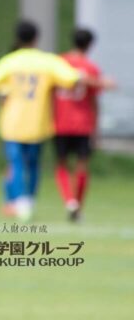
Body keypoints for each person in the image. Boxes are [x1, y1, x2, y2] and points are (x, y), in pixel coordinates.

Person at [0, 20, 82, 222]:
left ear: (18, 39)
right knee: (34, 165)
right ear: (36, 38)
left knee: (16, 163)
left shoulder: (10, 62)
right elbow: (72, 79)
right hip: (38, 123)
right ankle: (29, 200)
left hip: (13, 124)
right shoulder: (47, 61)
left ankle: (19, 202)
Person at [53, 28, 116, 222]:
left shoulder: (59, 63)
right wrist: (96, 129)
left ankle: (69, 201)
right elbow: (94, 101)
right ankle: (77, 206)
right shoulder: (91, 68)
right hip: (83, 123)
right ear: (90, 45)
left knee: (62, 163)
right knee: (82, 165)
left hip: (60, 122)